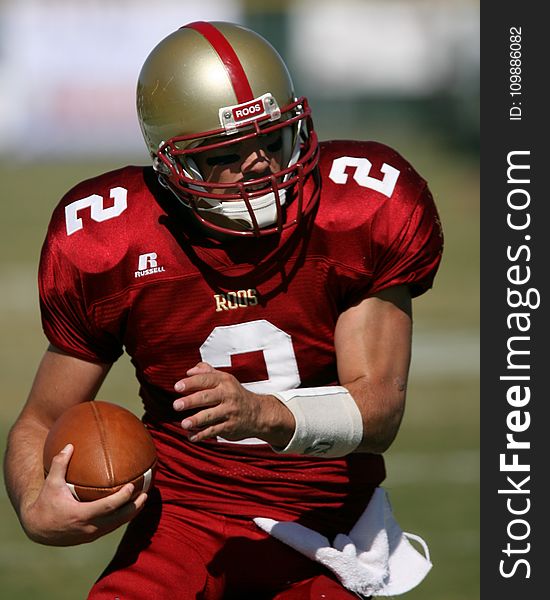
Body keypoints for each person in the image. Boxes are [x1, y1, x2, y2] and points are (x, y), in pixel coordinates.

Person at [3, 21, 443, 600]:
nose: (260, 165)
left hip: (326, 524)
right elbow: (40, 418)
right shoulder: (111, 238)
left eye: (274, 141)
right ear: (172, 165)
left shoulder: (357, 210)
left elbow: (379, 411)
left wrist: (262, 414)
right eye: (228, 153)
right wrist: (36, 506)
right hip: (181, 516)